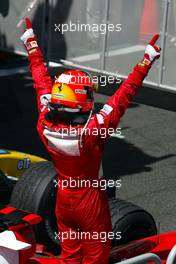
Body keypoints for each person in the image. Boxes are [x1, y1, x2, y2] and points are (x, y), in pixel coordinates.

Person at [20, 18, 161, 264]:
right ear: (81, 103)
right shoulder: (93, 130)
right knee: (96, 259)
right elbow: (123, 95)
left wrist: (32, 44)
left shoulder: (44, 121)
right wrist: (146, 60)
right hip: (91, 203)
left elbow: (41, 80)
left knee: (70, 257)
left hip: (63, 200)